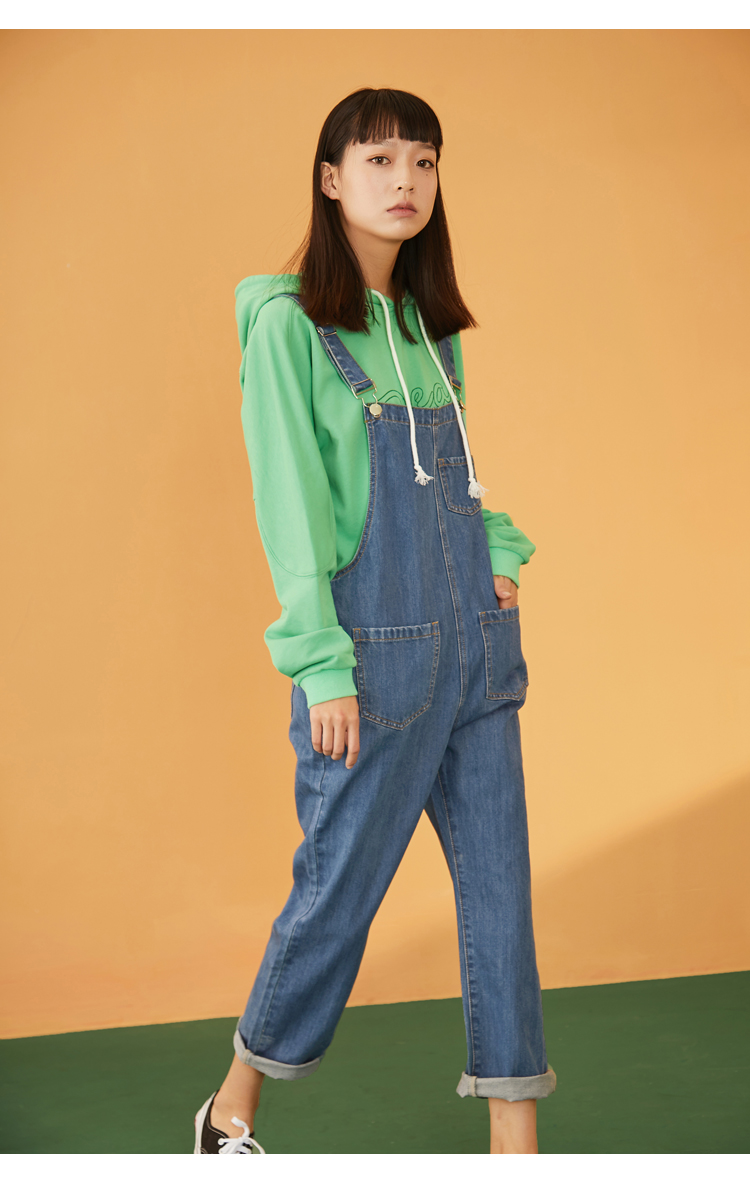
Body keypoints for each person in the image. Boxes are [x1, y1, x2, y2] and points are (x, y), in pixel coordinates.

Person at [194, 86, 556, 1156]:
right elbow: (291, 504)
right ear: (331, 179)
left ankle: (517, 1147)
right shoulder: (288, 326)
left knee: (501, 896)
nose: (406, 181)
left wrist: (499, 557)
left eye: (425, 162)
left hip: (476, 650)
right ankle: (230, 1107)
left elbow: (461, 482)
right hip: (371, 658)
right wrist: (321, 665)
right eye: (381, 159)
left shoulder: (429, 330)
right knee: (337, 894)